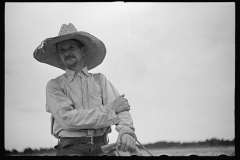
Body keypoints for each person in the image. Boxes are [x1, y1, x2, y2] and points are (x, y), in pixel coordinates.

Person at [33, 23, 137, 156]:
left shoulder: (100, 80)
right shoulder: (54, 85)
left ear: (82, 51)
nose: (67, 52)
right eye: (62, 50)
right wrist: (111, 110)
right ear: (59, 55)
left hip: (102, 146)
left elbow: (121, 109)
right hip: (70, 149)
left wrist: (127, 131)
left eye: (71, 47)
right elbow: (68, 119)